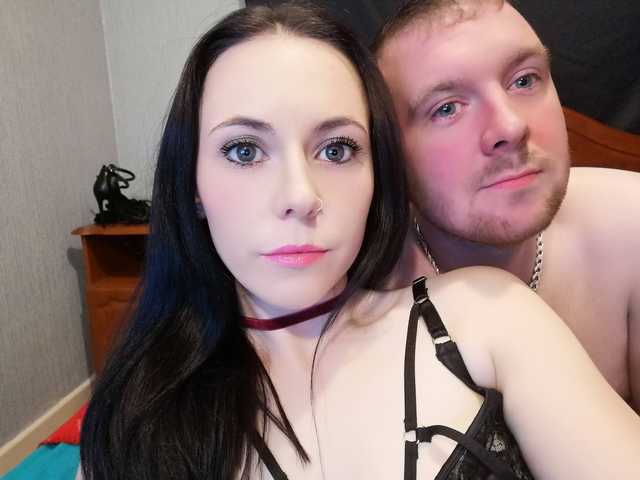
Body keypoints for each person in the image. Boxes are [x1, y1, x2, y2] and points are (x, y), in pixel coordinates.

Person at [79, 2, 640, 479]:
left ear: (380, 173)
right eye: (244, 151)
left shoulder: (489, 313)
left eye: (337, 149)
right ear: (191, 182)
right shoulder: (132, 410)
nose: (300, 196)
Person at [374, 0, 640, 411]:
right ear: (391, 155)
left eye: (524, 80)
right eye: (446, 108)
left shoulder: (630, 225)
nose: (511, 127)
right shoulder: (360, 300)